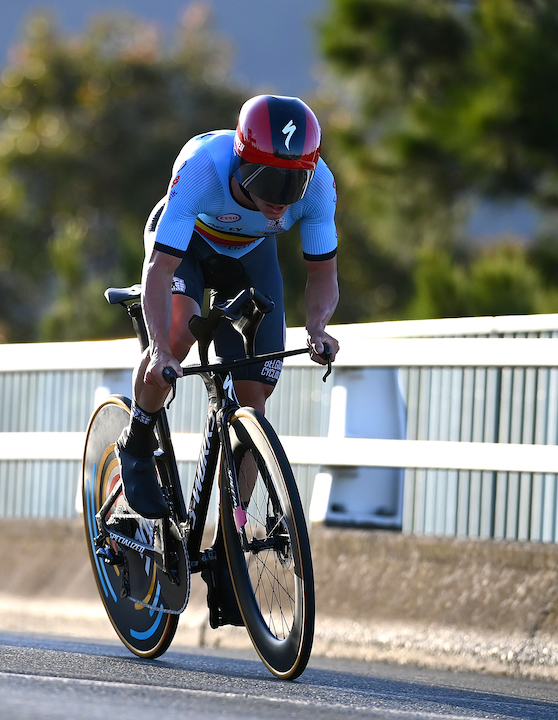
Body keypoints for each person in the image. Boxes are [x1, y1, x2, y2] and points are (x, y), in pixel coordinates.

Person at [114, 95, 339, 624]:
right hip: (186, 247)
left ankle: (230, 548)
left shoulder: (319, 185)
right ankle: (137, 441)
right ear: (241, 162)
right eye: (268, 183)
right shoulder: (203, 169)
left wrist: (317, 328)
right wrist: (161, 349)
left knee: (252, 399)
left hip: (250, 256)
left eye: (293, 185)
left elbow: (322, 274)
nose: (280, 200)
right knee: (176, 332)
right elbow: (159, 269)